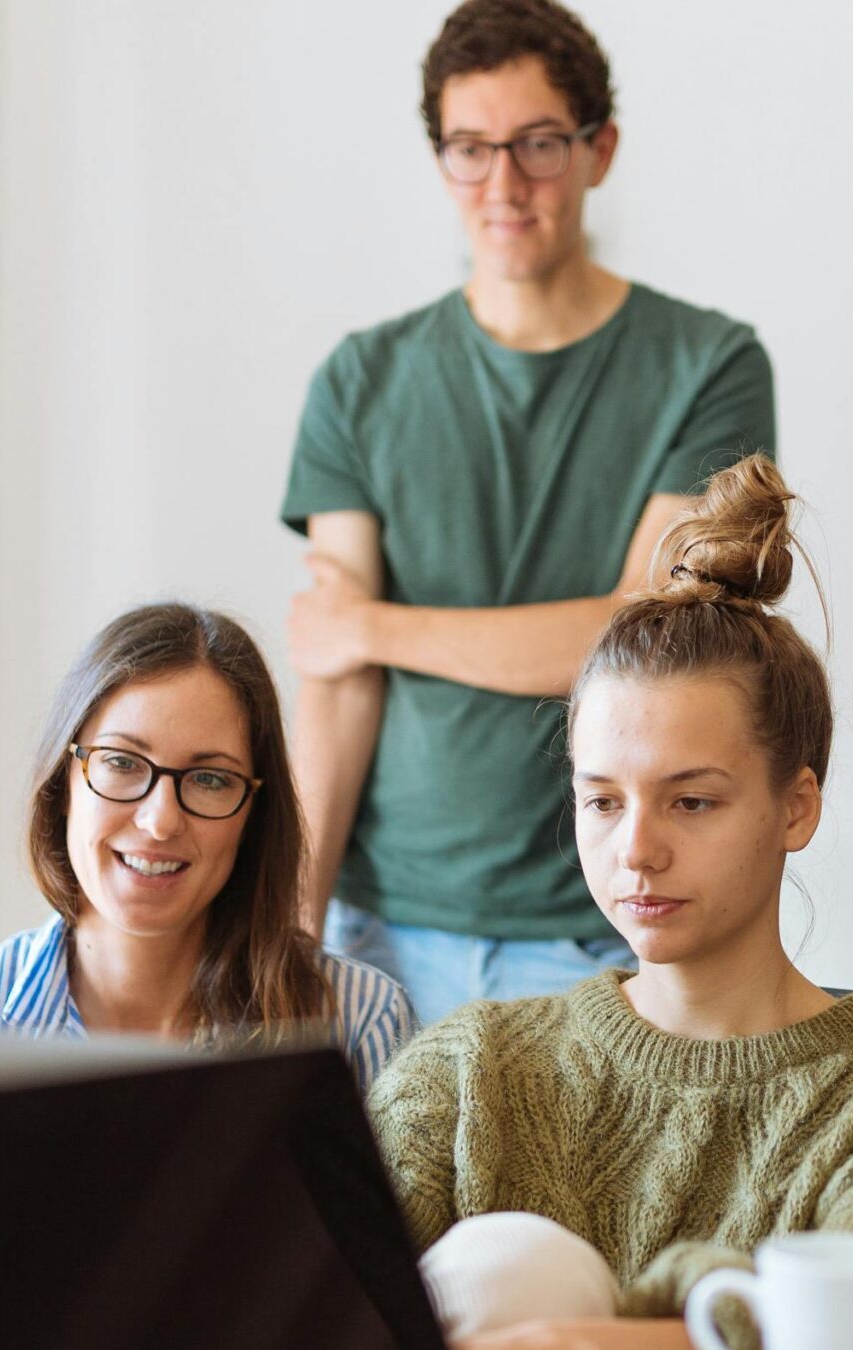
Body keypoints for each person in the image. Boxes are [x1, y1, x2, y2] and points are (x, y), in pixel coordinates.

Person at [367, 458, 853, 1350]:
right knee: (512, 1263)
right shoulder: (466, 1071)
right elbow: (312, 1312)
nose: (636, 848)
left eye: (692, 799)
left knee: (523, 1268)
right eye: (602, 799)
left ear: (795, 805)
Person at [282, 0, 777, 1024]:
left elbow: (637, 643)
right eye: (470, 149)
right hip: (377, 929)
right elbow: (337, 687)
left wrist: (374, 625)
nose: (502, 185)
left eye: (538, 145)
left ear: (600, 150)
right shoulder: (360, 380)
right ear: (441, 160)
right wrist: (290, 931)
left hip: (599, 921)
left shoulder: (711, 365)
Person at [0, 604, 411, 1090]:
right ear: (64, 783)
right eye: (122, 763)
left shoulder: (359, 1021)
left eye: (209, 779)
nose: (160, 822)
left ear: (254, 815)